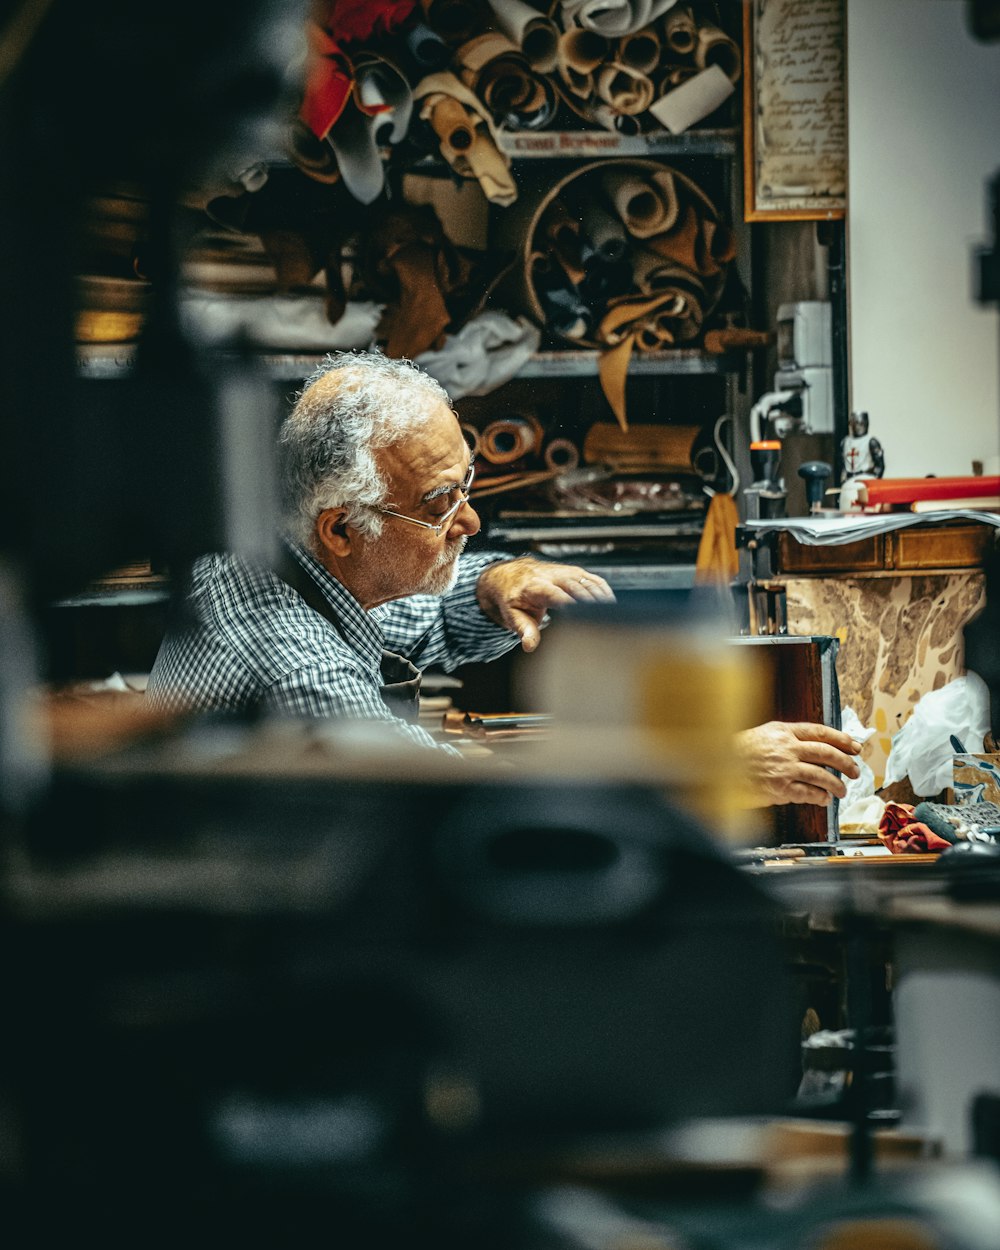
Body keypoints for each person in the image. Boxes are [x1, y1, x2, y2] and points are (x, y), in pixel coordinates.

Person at [147, 351, 860, 803]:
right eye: (438, 505)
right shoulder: (295, 661)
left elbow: (416, 617)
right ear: (340, 528)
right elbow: (470, 799)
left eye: (467, 486)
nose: (471, 523)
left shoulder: (290, 562)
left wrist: (498, 582)